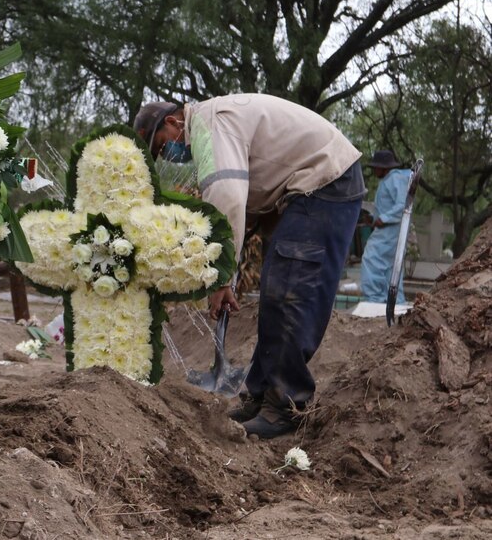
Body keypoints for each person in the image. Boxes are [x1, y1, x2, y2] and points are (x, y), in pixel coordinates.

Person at [134, 94, 365, 439]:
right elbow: (247, 200)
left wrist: (221, 279)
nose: (168, 156)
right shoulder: (210, 125)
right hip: (309, 186)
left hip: (326, 180)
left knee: (290, 290)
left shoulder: (209, 125)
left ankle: (286, 405)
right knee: (276, 286)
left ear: (172, 123)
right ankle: (259, 395)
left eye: (162, 147)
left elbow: (228, 198)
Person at [359, 150, 413, 304]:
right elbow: (390, 205)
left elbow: (404, 203)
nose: (374, 170)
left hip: (390, 230)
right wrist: (373, 218)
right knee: (391, 267)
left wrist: (383, 218)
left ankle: (375, 299)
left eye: (376, 167)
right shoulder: (389, 180)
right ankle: (395, 302)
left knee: (371, 259)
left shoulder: (395, 178)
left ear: (384, 167)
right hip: (391, 230)